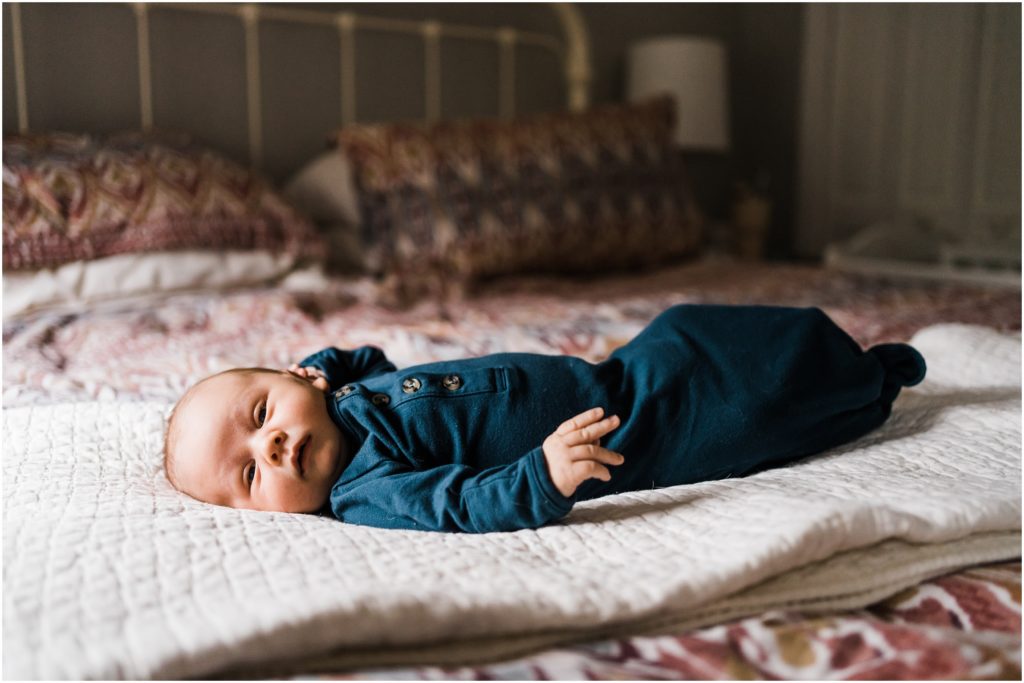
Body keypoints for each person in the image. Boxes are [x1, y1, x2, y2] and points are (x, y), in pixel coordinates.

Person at [164, 304, 926, 533]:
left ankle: (838, 349)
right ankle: (867, 385)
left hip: (612, 370)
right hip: (627, 436)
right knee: (749, 407)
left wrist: (317, 370)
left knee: (694, 328)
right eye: (250, 473)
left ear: (297, 380)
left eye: (262, 413)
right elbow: (459, 504)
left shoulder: (342, 394)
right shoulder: (367, 487)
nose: (272, 444)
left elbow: (360, 354)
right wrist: (544, 474)